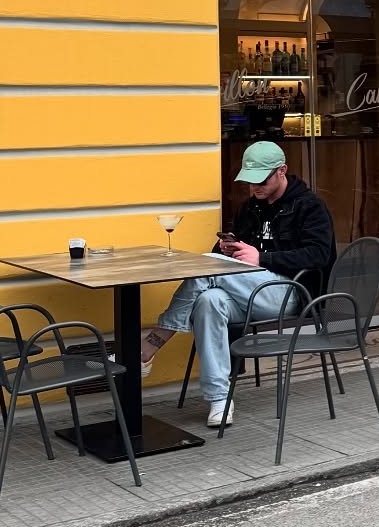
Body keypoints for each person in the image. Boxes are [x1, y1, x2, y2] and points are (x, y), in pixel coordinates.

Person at [139, 141, 335, 428]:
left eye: (261, 180)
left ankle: (152, 343)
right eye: (250, 181)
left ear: (282, 171)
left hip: (290, 293)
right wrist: (226, 249)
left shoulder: (309, 206)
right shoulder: (250, 208)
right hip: (249, 292)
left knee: (208, 265)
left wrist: (262, 257)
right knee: (209, 301)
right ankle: (220, 400)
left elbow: (320, 254)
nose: (255, 187)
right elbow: (226, 260)